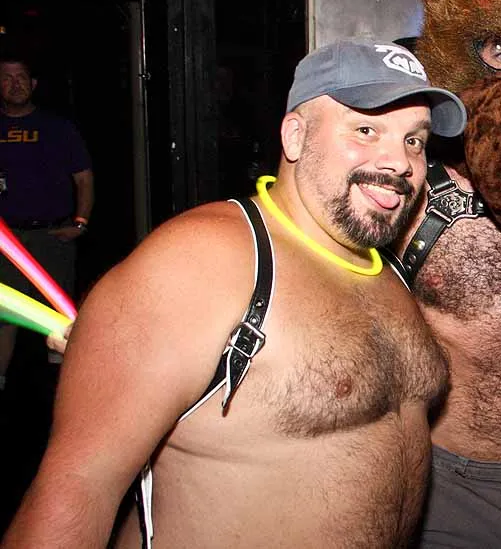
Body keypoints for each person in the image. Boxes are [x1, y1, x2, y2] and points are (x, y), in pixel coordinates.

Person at [1, 38, 467, 548]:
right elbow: (74, 492)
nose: (400, 162)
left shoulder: (390, 270)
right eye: (366, 130)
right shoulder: (204, 262)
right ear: (295, 135)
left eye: (414, 140)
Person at [0, 57, 94, 530]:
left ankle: (68, 403)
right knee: (3, 319)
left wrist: (80, 222)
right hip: (5, 240)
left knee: (60, 320)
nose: (15, 84)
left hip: (50, 237)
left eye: (22, 77)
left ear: (33, 83)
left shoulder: (58, 127)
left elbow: (84, 177)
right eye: (6, 78)